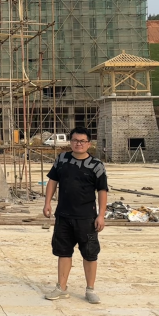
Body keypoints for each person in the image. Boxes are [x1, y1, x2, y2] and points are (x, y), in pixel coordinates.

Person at [43, 126, 108, 304]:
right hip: (63, 216)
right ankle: (61, 288)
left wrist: (101, 215)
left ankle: (90, 289)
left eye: (82, 141)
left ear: (89, 144)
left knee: (90, 254)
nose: (78, 144)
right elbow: (52, 181)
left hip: (87, 218)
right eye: (75, 140)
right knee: (63, 252)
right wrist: (47, 203)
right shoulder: (62, 159)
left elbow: (102, 191)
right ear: (70, 142)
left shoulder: (96, 165)